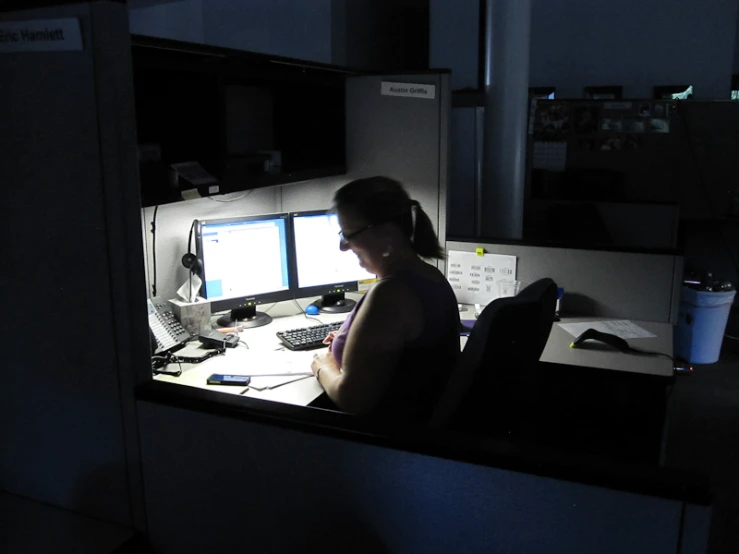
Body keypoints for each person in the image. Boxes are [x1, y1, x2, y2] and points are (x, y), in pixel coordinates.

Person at [310, 176, 461, 423]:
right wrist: (352, 339)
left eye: (349, 235)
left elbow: (353, 400)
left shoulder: (391, 295)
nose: (344, 246)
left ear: (387, 234)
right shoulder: (429, 275)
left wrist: (322, 366)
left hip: (387, 438)